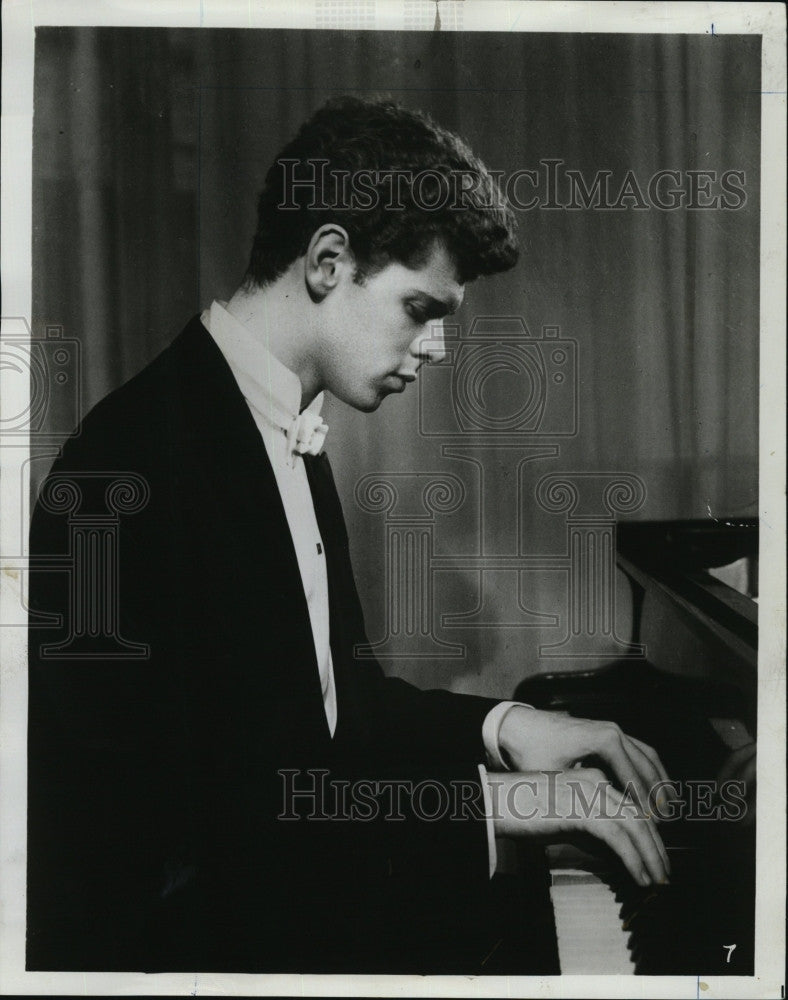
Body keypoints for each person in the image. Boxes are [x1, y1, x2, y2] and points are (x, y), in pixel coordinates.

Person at [27, 96, 671, 974]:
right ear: (328, 259)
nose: (437, 348)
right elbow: (195, 852)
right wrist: (495, 807)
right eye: (418, 307)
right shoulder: (125, 470)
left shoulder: (275, 420)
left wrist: (509, 728)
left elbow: (330, 719)